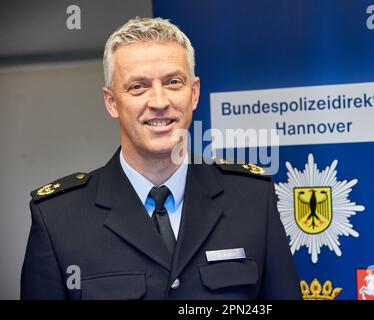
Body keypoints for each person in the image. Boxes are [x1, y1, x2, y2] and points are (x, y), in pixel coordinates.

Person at [20, 17, 300, 300]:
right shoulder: (58, 218)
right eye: (138, 87)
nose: (158, 102)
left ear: (194, 94)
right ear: (111, 102)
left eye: (173, 82)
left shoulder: (252, 198)